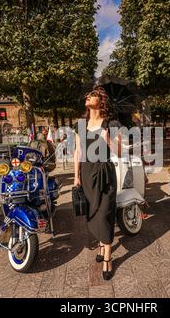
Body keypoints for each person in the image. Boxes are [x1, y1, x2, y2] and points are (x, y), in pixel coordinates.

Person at [74, 86, 121, 281]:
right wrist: (76, 176)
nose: (88, 97)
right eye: (87, 95)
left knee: (105, 213)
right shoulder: (81, 124)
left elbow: (119, 151)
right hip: (86, 174)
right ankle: (102, 244)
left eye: (92, 95)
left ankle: (108, 258)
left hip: (105, 173)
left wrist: (108, 139)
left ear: (101, 100)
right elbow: (78, 151)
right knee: (93, 214)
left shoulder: (111, 123)